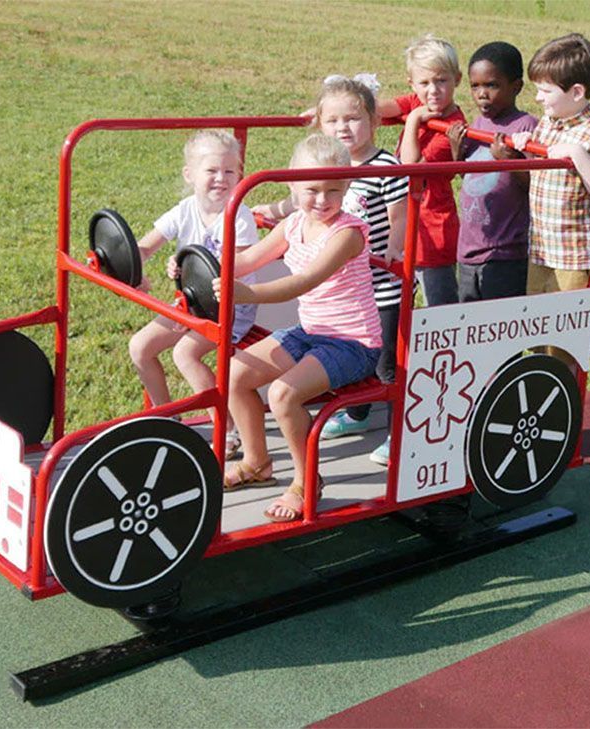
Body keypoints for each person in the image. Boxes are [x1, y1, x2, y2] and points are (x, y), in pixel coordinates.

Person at [215, 134, 382, 522]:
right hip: (311, 331)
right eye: (312, 190)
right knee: (236, 373)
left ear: (347, 188)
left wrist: (245, 293)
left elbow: (305, 282)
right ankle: (258, 462)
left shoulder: (347, 234)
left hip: (353, 343)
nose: (322, 201)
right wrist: (204, 265)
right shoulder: (292, 224)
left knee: (283, 395)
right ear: (292, 185)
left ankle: (307, 482)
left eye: (333, 190)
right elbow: (248, 259)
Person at [253, 76, 409, 466]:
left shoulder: (381, 166)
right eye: (333, 121)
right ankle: (356, 416)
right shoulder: (328, 168)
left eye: (353, 120)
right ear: (321, 125)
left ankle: (397, 432)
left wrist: (394, 245)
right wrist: (269, 212)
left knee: (387, 365)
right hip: (343, 286)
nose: (343, 129)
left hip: (380, 284)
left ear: (373, 121)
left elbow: (399, 210)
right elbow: (298, 201)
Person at [128, 129, 259, 459]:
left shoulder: (238, 215)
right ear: (190, 175)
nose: (221, 179)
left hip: (230, 305)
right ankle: (167, 417)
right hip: (191, 302)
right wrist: (134, 264)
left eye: (230, 171)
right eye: (211, 171)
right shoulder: (184, 210)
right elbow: (145, 245)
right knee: (140, 347)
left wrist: (189, 267)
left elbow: (240, 265)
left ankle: (225, 428)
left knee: (184, 354)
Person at [513, 33, 590, 307]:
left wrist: (576, 154)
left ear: (576, 92)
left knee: (564, 336)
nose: (538, 98)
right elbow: (541, 169)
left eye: (545, 91)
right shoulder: (548, 123)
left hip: (572, 258)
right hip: (540, 249)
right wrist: (526, 148)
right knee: (536, 328)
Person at [377, 34, 467, 306]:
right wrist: (354, 105)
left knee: (439, 309)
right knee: (395, 303)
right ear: (412, 83)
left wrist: (414, 121)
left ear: (457, 79)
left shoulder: (453, 125)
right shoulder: (418, 102)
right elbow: (383, 109)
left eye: (442, 80)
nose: (433, 90)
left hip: (433, 231)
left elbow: (409, 166)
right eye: (424, 83)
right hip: (401, 225)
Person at [445, 42, 537, 301]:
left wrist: (510, 161)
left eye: (492, 85)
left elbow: (536, 185)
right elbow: (474, 176)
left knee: (497, 329)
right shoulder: (478, 124)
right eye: (475, 86)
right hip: (469, 247)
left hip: (505, 253)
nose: (481, 94)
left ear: (516, 86)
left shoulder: (526, 127)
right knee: (469, 326)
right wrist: (457, 152)